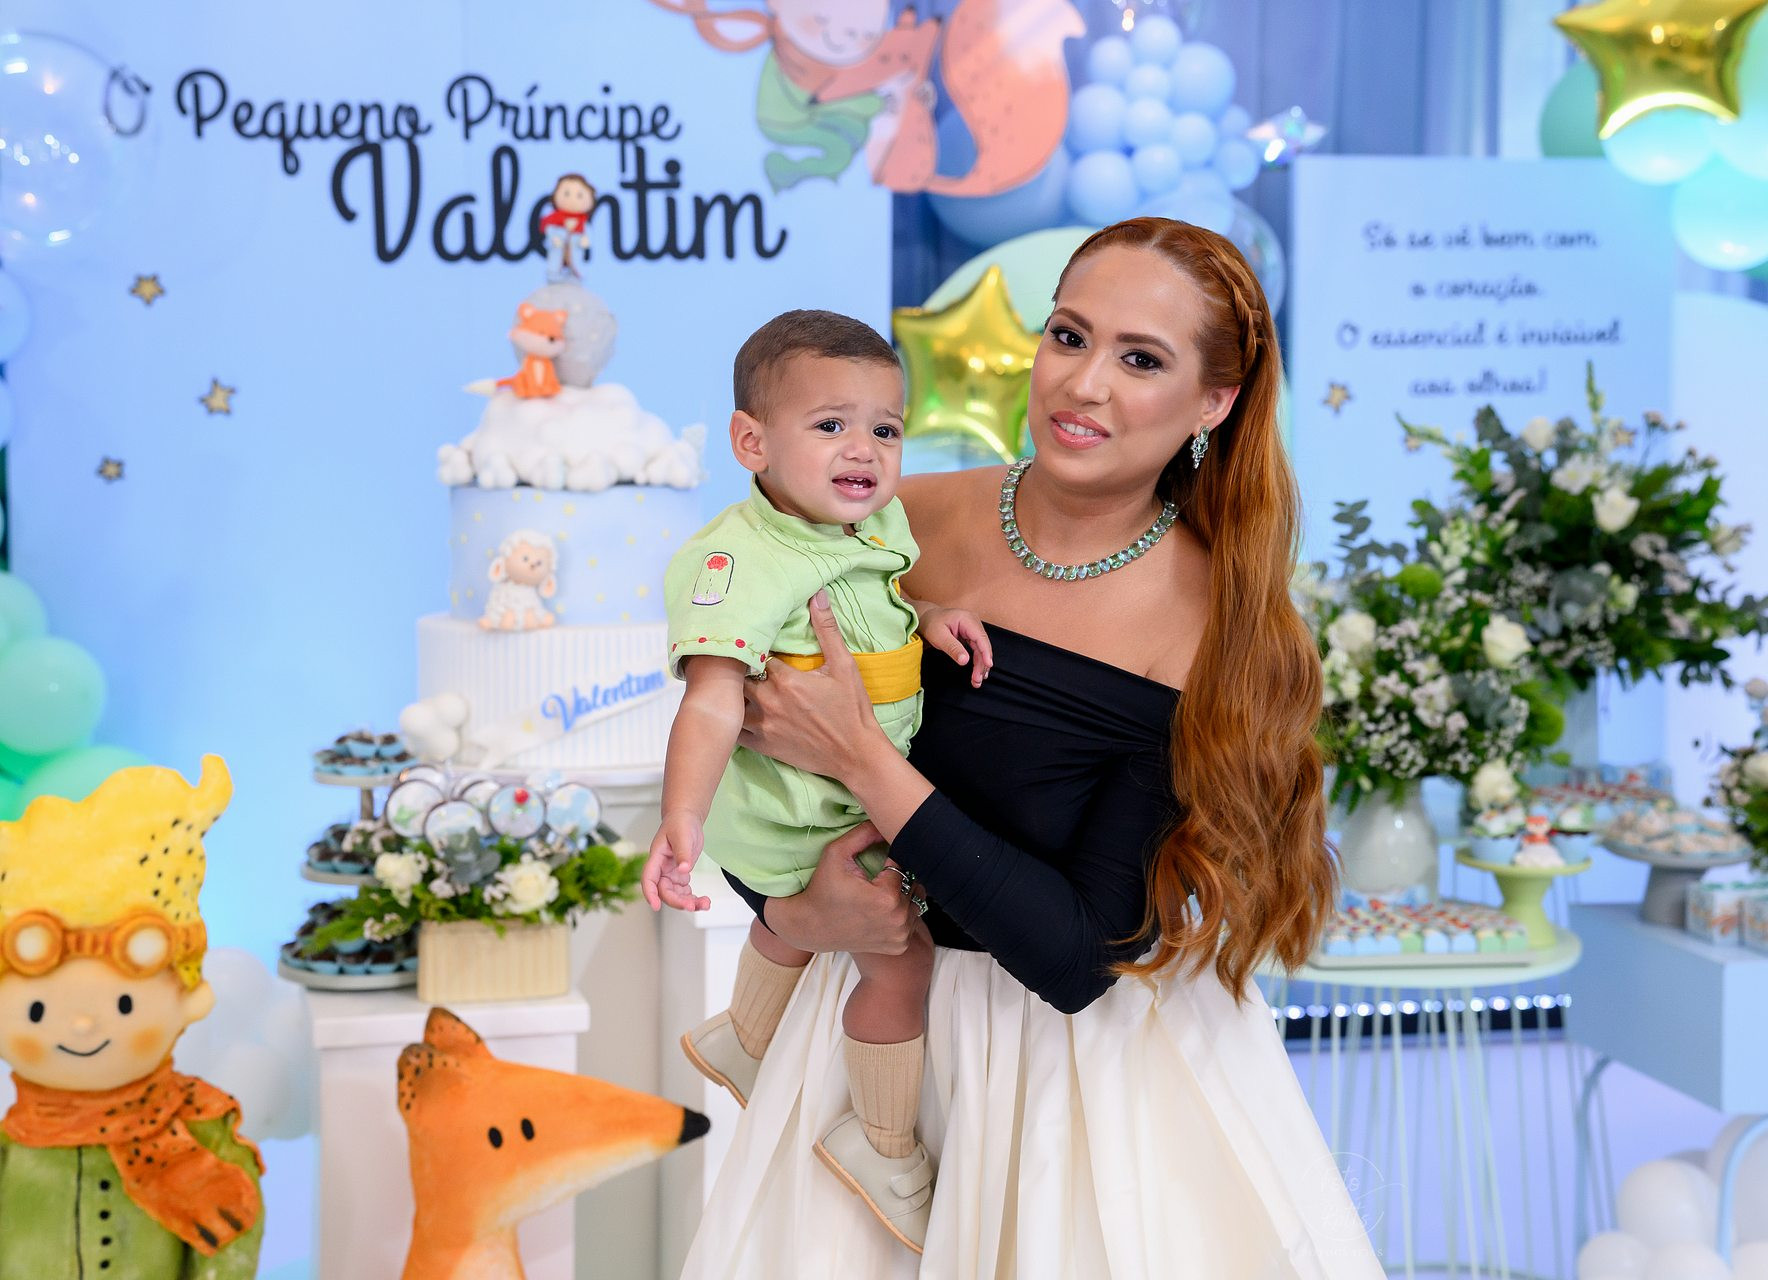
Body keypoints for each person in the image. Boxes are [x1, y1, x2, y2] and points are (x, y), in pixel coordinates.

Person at [681, 218, 1386, 1278]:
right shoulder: (891, 524)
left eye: (1140, 359)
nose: (1083, 383)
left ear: (1214, 402)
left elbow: (1077, 955)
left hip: (1080, 1095)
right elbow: (754, 763)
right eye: (1069, 335)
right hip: (868, 1046)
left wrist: (868, 760)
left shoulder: (1212, 625)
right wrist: (788, 910)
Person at [644, 309, 992, 1253]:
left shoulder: (870, 524)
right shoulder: (736, 562)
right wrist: (681, 817)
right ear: (752, 442)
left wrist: (930, 616)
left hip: (842, 787)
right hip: (795, 810)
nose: (864, 449)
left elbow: (874, 601)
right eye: (831, 424)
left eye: (886, 428)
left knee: (833, 915)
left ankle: (744, 1038)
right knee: (901, 957)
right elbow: (711, 700)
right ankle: (883, 1145)